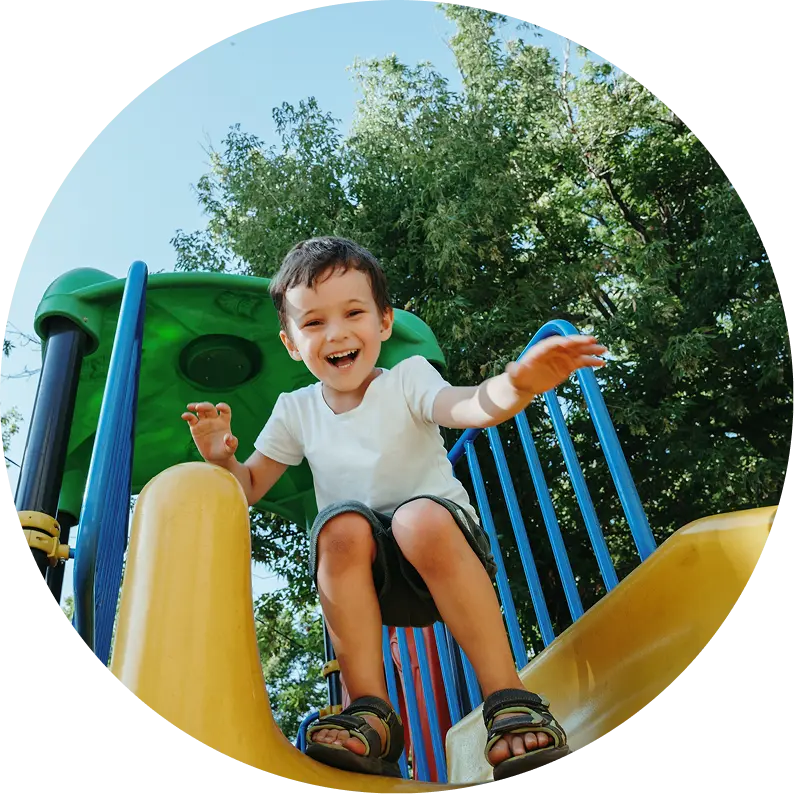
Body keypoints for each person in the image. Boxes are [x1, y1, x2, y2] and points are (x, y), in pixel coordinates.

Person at [182, 237, 607, 784]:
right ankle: (372, 715)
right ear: (291, 343)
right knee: (339, 527)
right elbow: (249, 486)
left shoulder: (409, 378)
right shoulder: (295, 411)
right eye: (313, 323)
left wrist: (516, 384)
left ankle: (509, 696)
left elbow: (468, 407)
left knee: (416, 518)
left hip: (443, 550)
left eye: (353, 312)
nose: (335, 333)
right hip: (371, 580)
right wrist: (222, 460)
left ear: (384, 322)